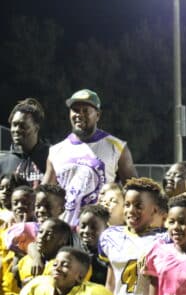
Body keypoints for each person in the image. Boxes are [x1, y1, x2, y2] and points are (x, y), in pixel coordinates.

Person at [43, 88, 137, 226]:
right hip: (65, 231)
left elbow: (134, 191)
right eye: (75, 110)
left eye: (85, 110)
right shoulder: (56, 150)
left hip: (102, 231)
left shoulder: (117, 147)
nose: (79, 114)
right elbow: (44, 195)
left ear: (98, 115)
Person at [0, 98, 50, 195]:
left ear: (36, 128)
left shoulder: (52, 157)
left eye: (23, 125)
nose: (16, 130)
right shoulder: (3, 164)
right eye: (14, 125)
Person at [78, 204, 110, 286]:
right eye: (83, 226)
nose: (87, 231)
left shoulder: (108, 258)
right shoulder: (73, 251)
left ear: (106, 228)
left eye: (93, 227)